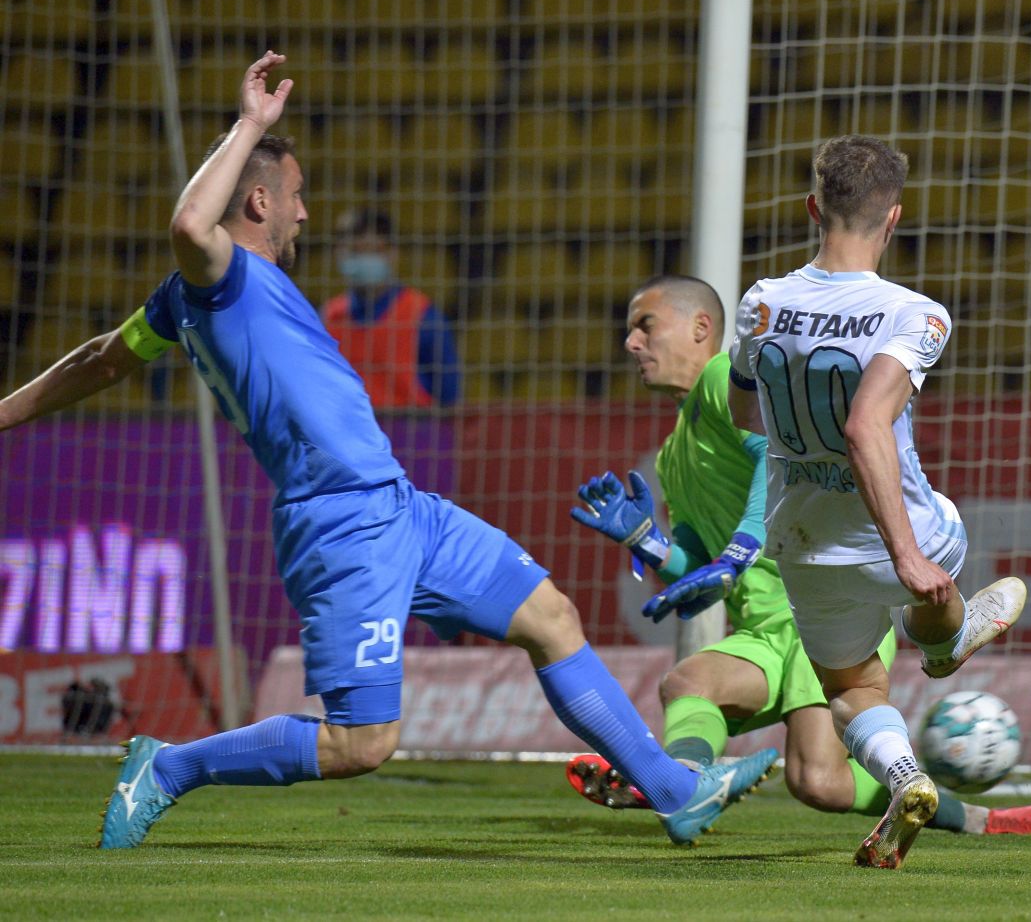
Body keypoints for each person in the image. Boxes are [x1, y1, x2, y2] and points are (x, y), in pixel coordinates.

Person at [0, 52, 777, 850]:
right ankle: (169, 768)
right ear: (260, 200)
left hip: (400, 506)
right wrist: (251, 125)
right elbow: (190, 228)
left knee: (550, 617)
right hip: (342, 524)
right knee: (361, 744)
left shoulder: (184, 302)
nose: (304, 214)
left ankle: (675, 791)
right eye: (296, 195)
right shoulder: (217, 277)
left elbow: (102, 359)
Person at [567, 275, 1031, 843]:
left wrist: (739, 552)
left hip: (813, 599)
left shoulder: (720, 380)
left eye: (645, 326)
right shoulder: (672, 455)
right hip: (765, 629)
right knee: (719, 706)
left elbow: (769, 456)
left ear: (700, 328)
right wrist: (645, 540)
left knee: (813, 773)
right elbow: (698, 564)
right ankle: (682, 783)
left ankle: (984, 817)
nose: (632, 343)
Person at [723, 134, 1031, 869]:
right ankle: (946, 642)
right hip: (900, 535)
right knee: (943, 546)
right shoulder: (914, 313)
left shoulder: (762, 303)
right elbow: (865, 424)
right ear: (894, 216)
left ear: (812, 208)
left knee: (853, 687)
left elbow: (741, 412)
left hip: (803, 542)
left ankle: (905, 778)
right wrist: (905, 553)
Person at [320, 207, 460, 409]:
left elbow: (449, 397)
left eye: (374, 251)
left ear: (393, 253)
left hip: (411, 428)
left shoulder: (423, 316)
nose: (365, 259)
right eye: (356, 251)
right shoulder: (328, 317)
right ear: (339, 254)